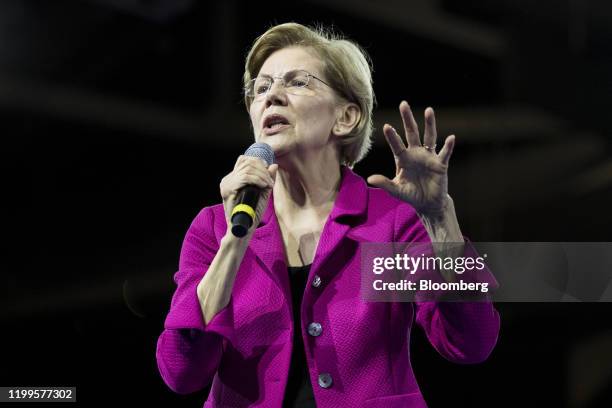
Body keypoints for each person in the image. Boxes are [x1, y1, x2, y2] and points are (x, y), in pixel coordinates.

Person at [156, 22, 500, 407]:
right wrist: (236, 240)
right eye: (262, 87)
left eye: (297, 82)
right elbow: (182, 372)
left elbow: (470, 343)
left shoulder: (390, 222)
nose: (272, 97)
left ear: (346, 117)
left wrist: (439, 222)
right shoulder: (214, 226)